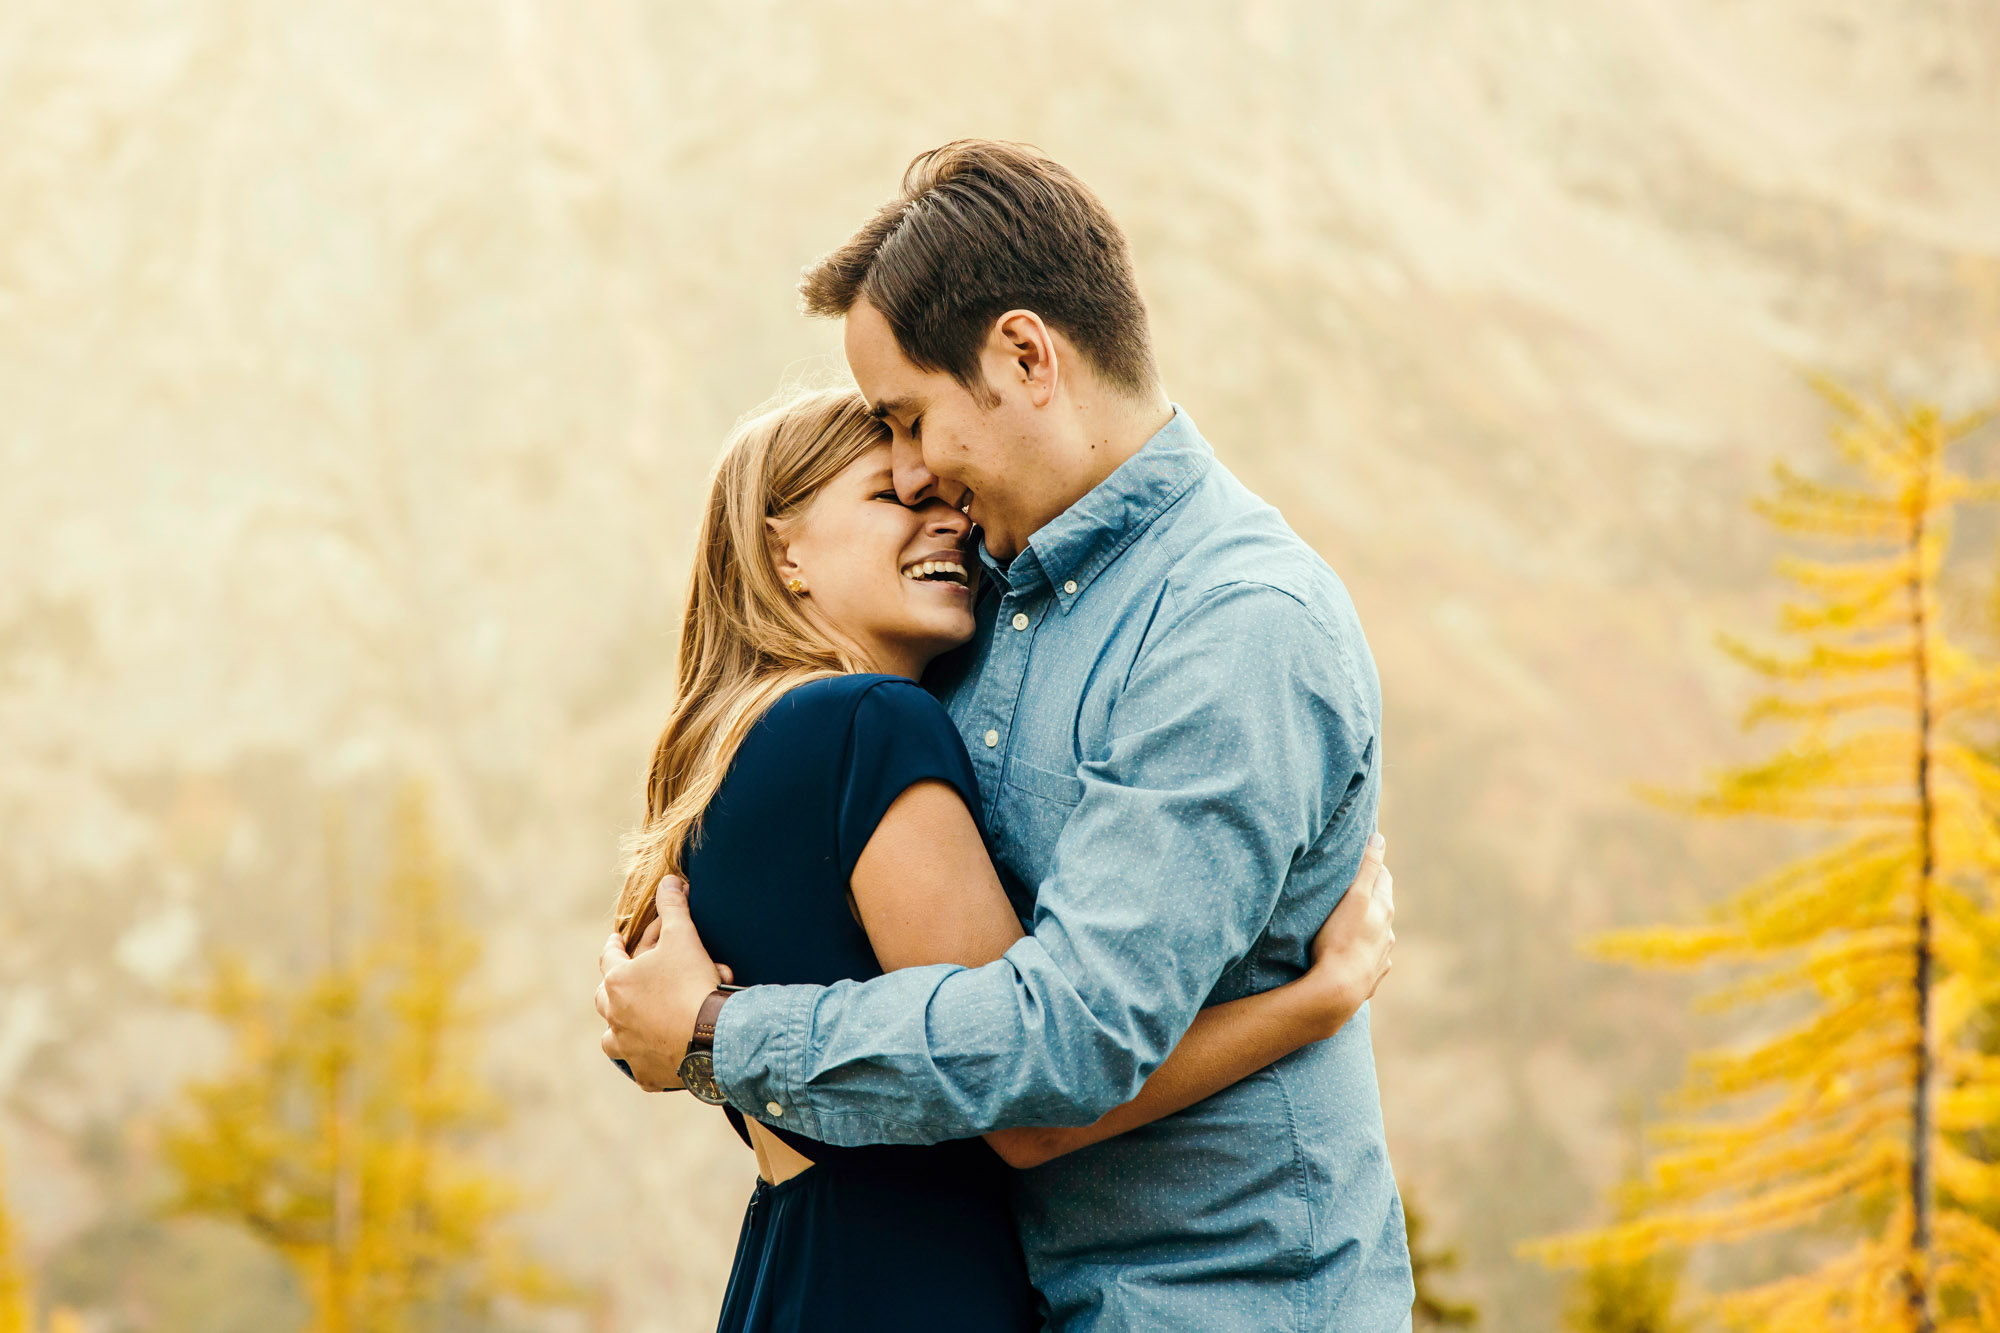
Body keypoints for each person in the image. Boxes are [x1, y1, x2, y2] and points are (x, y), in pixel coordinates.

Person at [600, 140, 1415, 1331]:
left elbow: (1063, 1045)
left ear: (1026, 356)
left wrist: (720, 1032)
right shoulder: (976, 615)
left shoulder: (1234, 626)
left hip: (1214, 1303)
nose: (913, 463)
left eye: (912, 419)